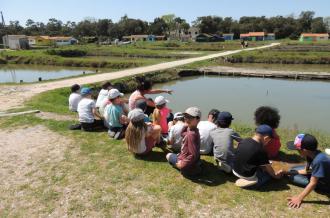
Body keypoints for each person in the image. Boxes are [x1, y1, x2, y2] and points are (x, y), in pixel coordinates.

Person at [285, 134, 330, 208]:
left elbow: (313, 183)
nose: (297, 152)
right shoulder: (311, 154)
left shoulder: (318, 161)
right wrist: (286, 172)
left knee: (291, 177)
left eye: (298, 150)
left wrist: (299, 198)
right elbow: (307, 171)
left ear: (305, 150)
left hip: (324, 184)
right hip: (317, 174)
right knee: (291, 171)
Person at [232, 124, 282, 188]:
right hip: (247, 176)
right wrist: (276, 176)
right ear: (266, 138)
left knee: (259, 162)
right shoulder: (261, 151)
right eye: (269, 140)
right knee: (267, 175)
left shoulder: (244, 140)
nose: (268, 142)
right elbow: (269, 169)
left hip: (235, 170)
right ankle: (250, 183)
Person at [166, 107, 202, 177]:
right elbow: (182, 134)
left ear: (198, 119)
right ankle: (195, 164)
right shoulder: (193, 129)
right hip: (189, 157)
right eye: (185, 116)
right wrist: (185, 126)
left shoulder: (191, 134)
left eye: (190, 117)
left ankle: (188, 167)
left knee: (168, 155)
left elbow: (192, 155)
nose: (187, 119)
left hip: (185, 159)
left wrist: (182, 165)